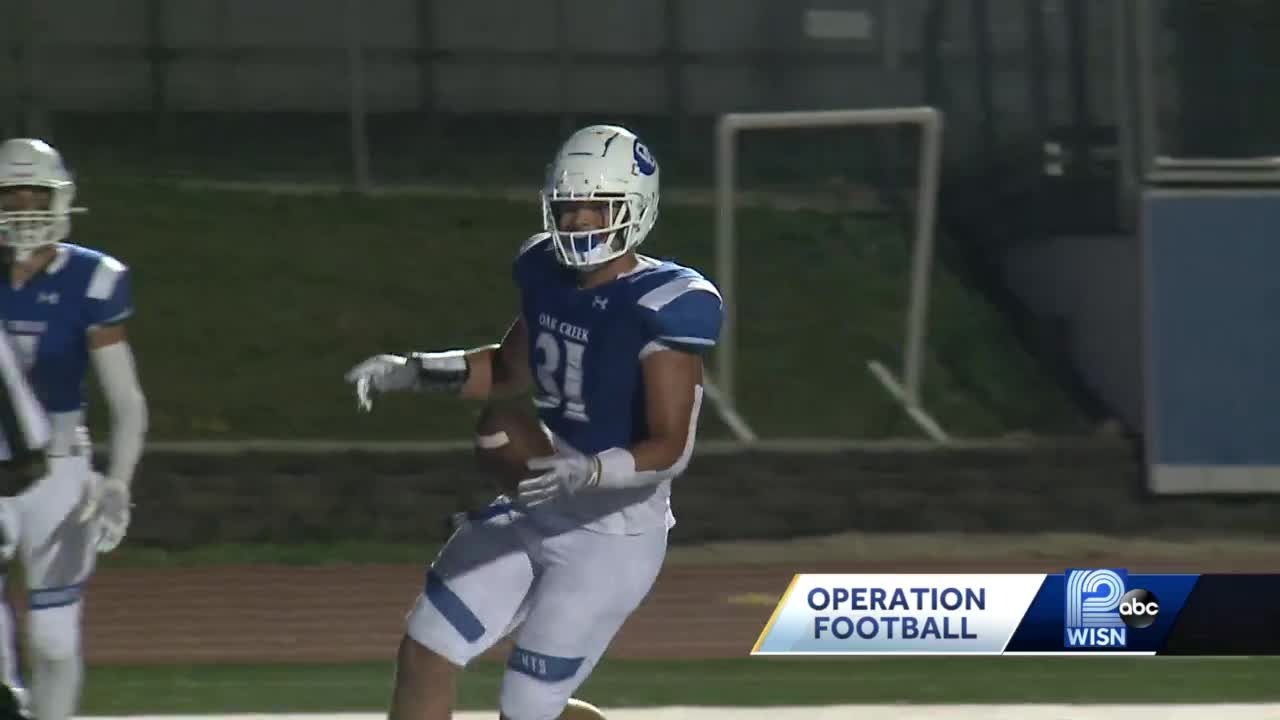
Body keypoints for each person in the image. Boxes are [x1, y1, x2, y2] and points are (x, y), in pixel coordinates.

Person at [345, 124, 723, 720]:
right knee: (426, 649)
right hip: (538, 500)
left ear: (637, 207)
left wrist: (590, 472)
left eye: (595, 208)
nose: (576, 224)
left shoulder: (665, 303)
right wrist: (413, 371)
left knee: (527, 708)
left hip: (612, 533)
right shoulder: (546, 274)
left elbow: (671, 448)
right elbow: (506, 370)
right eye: (568, 208)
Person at [0, 138, 149, 720]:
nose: (25, 208)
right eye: (12, 196)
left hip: (59, 467)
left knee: (55, 639)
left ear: (62, 197)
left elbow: (127, 400)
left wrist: (118, 481)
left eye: (37, 194)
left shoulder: (95, 278)